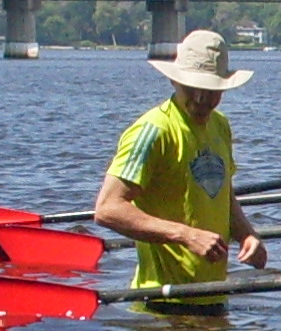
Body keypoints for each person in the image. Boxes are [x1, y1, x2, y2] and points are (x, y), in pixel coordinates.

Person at [93, 29, 268, 311]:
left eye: (211, 91)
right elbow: (107, 209)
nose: (202, 99)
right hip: (161, 302)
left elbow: (222, 194)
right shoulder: (152, 131)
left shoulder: (220, 126)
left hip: (213, 296)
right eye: (192, 88)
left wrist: (247, 234)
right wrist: (186, 235)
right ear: (174, 80)